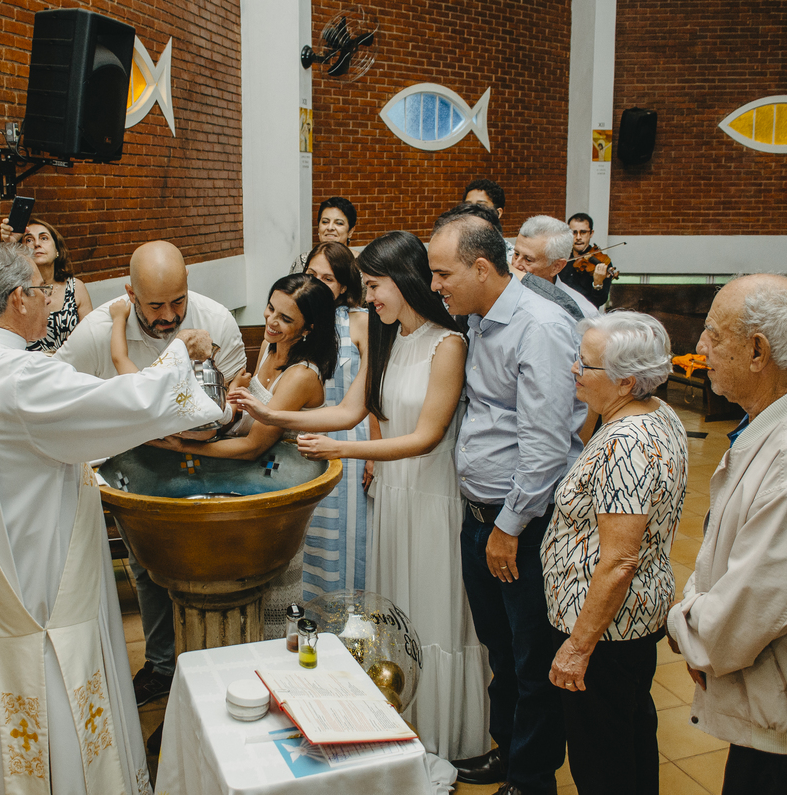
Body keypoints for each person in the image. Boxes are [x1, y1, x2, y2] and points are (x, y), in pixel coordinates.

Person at [0, 242, 230, 795]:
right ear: (19, 299)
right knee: (61, 693)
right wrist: (181, 357)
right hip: (42, 574)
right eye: (43, 291)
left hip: (3, 563)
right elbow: (124, 405)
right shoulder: (18, 377)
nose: (52, 300)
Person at [232, 231, 487, 763]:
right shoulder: (386, 337)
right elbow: (350, 412)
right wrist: (272, 414)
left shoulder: (449, 343)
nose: (368, 298)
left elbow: (427, 437)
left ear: (405, 280)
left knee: (433, 610)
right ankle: (403, 720)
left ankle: (445, 736)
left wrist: (343, 453)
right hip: (393, 497)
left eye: (374, 286)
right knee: (397, 611)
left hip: (433, 497)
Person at [666, 274, 787, 795]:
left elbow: (750, 607)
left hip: (784, 708)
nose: (700, 347)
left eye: (713, 334)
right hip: (763, 694)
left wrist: (685, 626)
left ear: (758, 351)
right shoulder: (775, 422)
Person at [429, 202, 584, 795]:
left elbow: (546, 445)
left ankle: (531, 777)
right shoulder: (480, 317)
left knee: (530, 658)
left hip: (521, 523)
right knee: (498, 647)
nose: (437, 285)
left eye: (444, 274)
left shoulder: (538, 327)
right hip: (483, 515)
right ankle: (508, 750)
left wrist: (509, 527)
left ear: (485, 268)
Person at [57, 239, 246, 709]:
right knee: (147, 571)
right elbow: (61, 389)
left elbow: (240, 392)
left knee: (209, 570)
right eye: (155, 305)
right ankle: (162, 667)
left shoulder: (216, 318)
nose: (168, 315)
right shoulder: (100, 330)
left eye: (177, 302)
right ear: (129, 293)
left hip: (208, 459)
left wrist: (215, 426)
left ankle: (217, 667)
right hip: (136, 465)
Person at [143, 273, 337, 639]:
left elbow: (253, 447)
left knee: (275, 595)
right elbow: (251, 417)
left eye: (285, 318)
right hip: (255, 483)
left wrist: (184, 446)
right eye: (270, 308)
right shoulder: (271, 347)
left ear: (309, 328)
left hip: (280, 488)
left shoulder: (301, 375)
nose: (271, 321)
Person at [543, 312, 688, 795]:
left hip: (606, 631)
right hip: (631, 619)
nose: (574, 371)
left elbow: (619, 560)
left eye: (586, 365)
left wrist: (577, 648)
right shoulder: (656, 412)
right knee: (629, 741)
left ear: (626, 381)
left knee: (602, 761)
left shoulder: (626, 444)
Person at [301, 241, 373, 598]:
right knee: (310, 535)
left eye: (327, 278)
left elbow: (375, 395)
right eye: (311, 275)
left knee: (349, 536)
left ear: (344, 285)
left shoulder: (361, 323)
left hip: (350, 440)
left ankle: (348, 627)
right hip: (303, 440)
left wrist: (373, 453)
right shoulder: (300, 323)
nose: (316, 283)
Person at [0, 217, 93, 351]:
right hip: (30, 367)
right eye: (29, 240)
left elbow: (91, 336)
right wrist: (11, 244)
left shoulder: (75, 287)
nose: (37, 244)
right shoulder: (16, 290)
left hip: (70, 366)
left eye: (44, 238)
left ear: (57, 250)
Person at [512, 216, 598, 319]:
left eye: (528, 260)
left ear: (556, 267)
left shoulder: (583, 314)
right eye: (516, 254)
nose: (516, 265)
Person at [559, 213, 616, 308]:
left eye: (583, 232)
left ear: (591, 233)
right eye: (574, 232)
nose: (578, 237)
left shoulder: (602, 262)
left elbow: (599, 301)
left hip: (585, 317)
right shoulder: (561, 259)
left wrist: (598, 284)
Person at [291, 196, 359, 272]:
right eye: (325, 222)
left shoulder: (361, 265)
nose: (330, 228)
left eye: (339, 223)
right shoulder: (302, 262)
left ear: (350, 231)